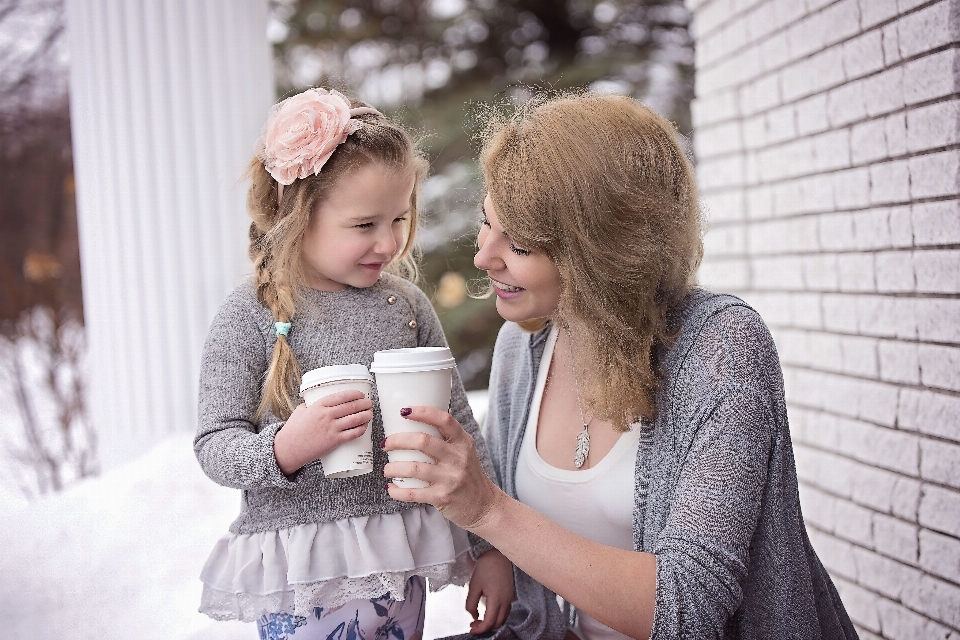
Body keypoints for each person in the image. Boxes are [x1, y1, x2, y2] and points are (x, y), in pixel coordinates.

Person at [382, 92, 858, 639]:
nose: (483, 256)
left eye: (520, 243)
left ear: (600, 252)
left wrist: (488, 509)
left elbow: (687, 611)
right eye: (486, 223)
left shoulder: (722, 348)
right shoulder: (523, 344)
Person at [194, 87, 514, 639]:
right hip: (303, 568)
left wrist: (491, 547)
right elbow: (214, 445)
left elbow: (457, 427)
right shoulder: (251, 312)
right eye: (365, 224)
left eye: (399, 218)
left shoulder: (406, 306)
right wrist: (283, 448)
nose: (389, 242)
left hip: (396, 557)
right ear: (296, 215)